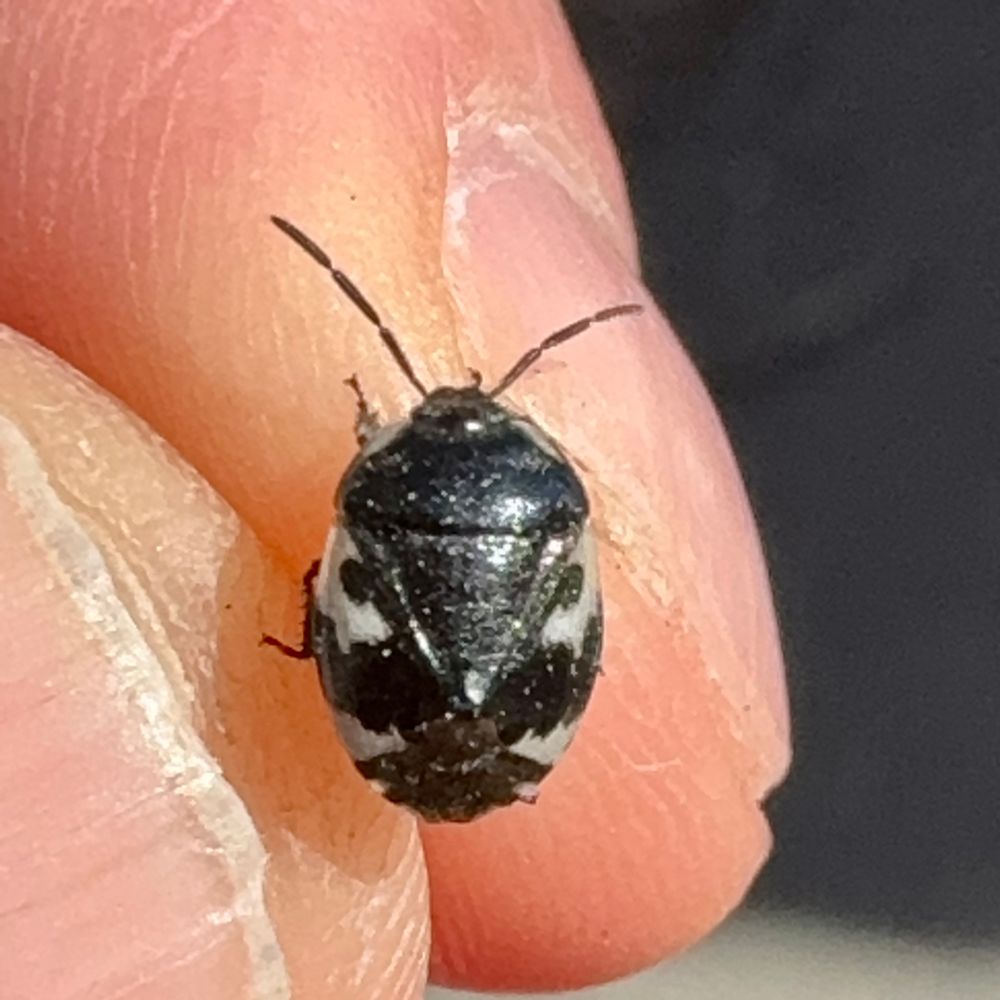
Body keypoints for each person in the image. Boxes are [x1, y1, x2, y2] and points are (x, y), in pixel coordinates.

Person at [0, 2, 789, 995]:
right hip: (491, 755)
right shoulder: (543, 512)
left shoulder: (378, 501)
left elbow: (330, 586)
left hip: (418, 742)